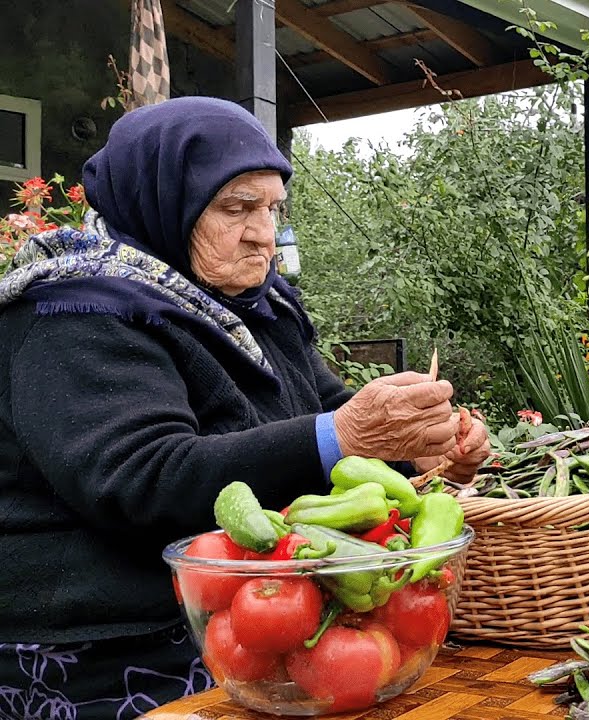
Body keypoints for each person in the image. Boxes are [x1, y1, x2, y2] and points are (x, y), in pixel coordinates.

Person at [0, 97, 490, 719]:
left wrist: (414, 443)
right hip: (105, 653)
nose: (263, 232)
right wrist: (346, 433)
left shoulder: (258, 307)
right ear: (162, 202)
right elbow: (140, 478)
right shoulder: (73, 311)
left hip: (251, 625)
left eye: (271, 208)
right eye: (236, 208)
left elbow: (329, 410)